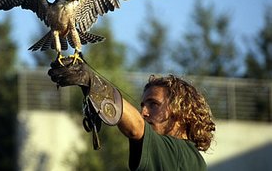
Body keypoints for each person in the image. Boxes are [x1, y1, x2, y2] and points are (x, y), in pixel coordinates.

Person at [48, 58, 216, 171]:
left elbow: (136, 128)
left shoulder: (180, 152)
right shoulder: (185, 160)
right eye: (142, 105)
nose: (143, 112)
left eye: (154, 104)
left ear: (182, 112)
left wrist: (91, 82)